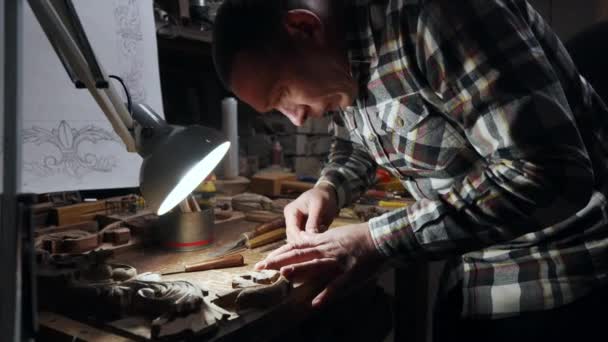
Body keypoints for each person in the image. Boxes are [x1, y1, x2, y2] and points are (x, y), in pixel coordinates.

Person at [212, 0, 608, 340]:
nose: (296, 120)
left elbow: (548, 173)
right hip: (472, 271)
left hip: (561, 276)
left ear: (304, 27)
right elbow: (357, 141)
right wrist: (328, 188)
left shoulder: (435, 16)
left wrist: (375, 240)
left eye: (282, 93)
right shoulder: (339, 58)